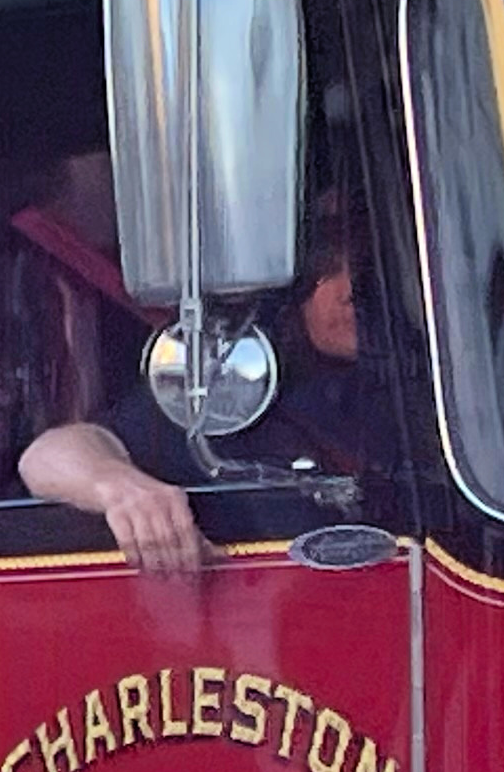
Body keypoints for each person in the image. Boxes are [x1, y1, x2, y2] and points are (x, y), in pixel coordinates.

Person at [21, 206, 385, 578]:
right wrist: (122, 489)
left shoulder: (429, 403)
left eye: (369, 267)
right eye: (326, 266)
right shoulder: (230, 395)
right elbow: (45, 458)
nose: (350, 291)